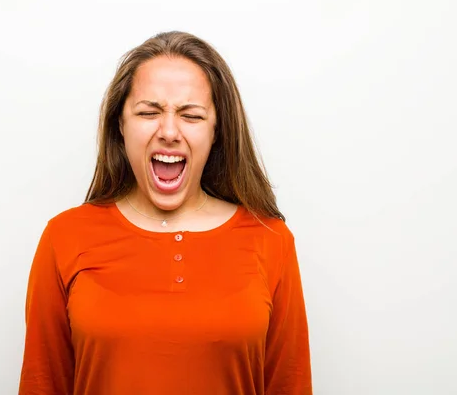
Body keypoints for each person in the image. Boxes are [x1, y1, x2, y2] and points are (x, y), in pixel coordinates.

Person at [18, 31, 312, 395]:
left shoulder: (271, 241)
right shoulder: (64, 237)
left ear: (217, 130)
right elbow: (41, 384)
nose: (169, 131)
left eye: (191, 115)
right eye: (148, 112)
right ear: (120, 126)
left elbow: (290, 385)